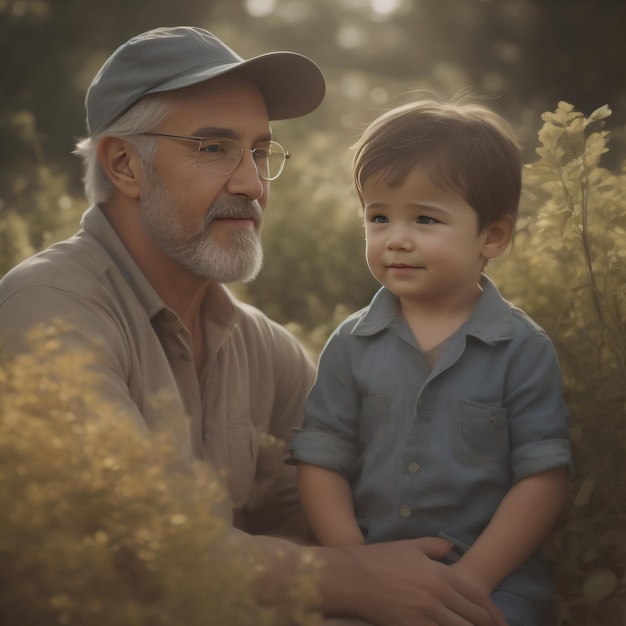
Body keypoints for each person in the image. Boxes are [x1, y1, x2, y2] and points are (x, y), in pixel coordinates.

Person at [0, 27, 507, 626]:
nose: (252, 185)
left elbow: (354, 514)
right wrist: (343, 577)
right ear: (123, 165)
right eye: (214, 149)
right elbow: (127, 544)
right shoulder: (49, 310)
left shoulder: (264, 347)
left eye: (260, 152)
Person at [289, 97, 573, 625]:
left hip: (489, 583)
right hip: (369, 573)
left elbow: (541, 479)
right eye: (378, 216)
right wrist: (358, 564)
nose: (396, 238)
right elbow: (322, 460)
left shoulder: (522, 349)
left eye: (425, 218)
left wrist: (470, 583)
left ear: (492, 235)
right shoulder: (351, 343)